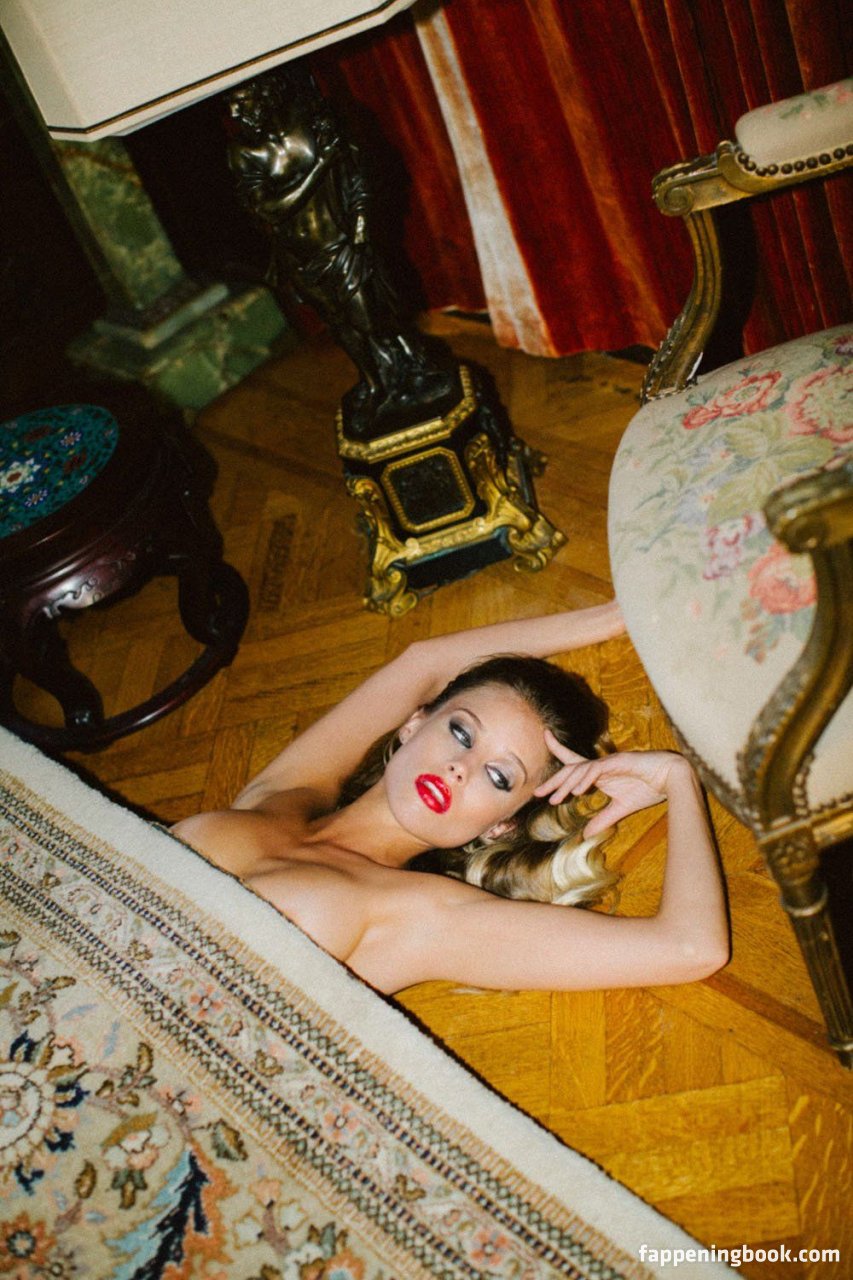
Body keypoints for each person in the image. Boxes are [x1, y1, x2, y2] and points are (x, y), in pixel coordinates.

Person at [172, 600, 729, 995]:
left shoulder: (425, 916)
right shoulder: (287, 793)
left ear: (501, 825)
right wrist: (620, 613)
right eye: (461, 733)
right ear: (414, 724)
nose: (461, 769)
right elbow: (424, 662)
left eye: (500, 778)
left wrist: (677, 778)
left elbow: (690, 947)